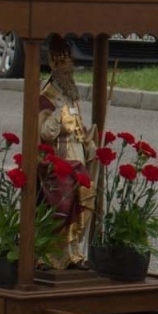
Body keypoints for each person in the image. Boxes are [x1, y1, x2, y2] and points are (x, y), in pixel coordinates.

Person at [38, 36, 97, 268]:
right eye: (64, 65)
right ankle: (54, 256)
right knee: (64, 204)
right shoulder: (47, 96)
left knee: (83, 200)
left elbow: (78, 125)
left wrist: (89, 141)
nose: (69, 70)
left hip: (78, 152)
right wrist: (58, 116)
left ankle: (74, 252)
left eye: (70, 64)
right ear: (55, 67)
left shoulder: (71, 95)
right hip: (62, 158)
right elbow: (44, 132)